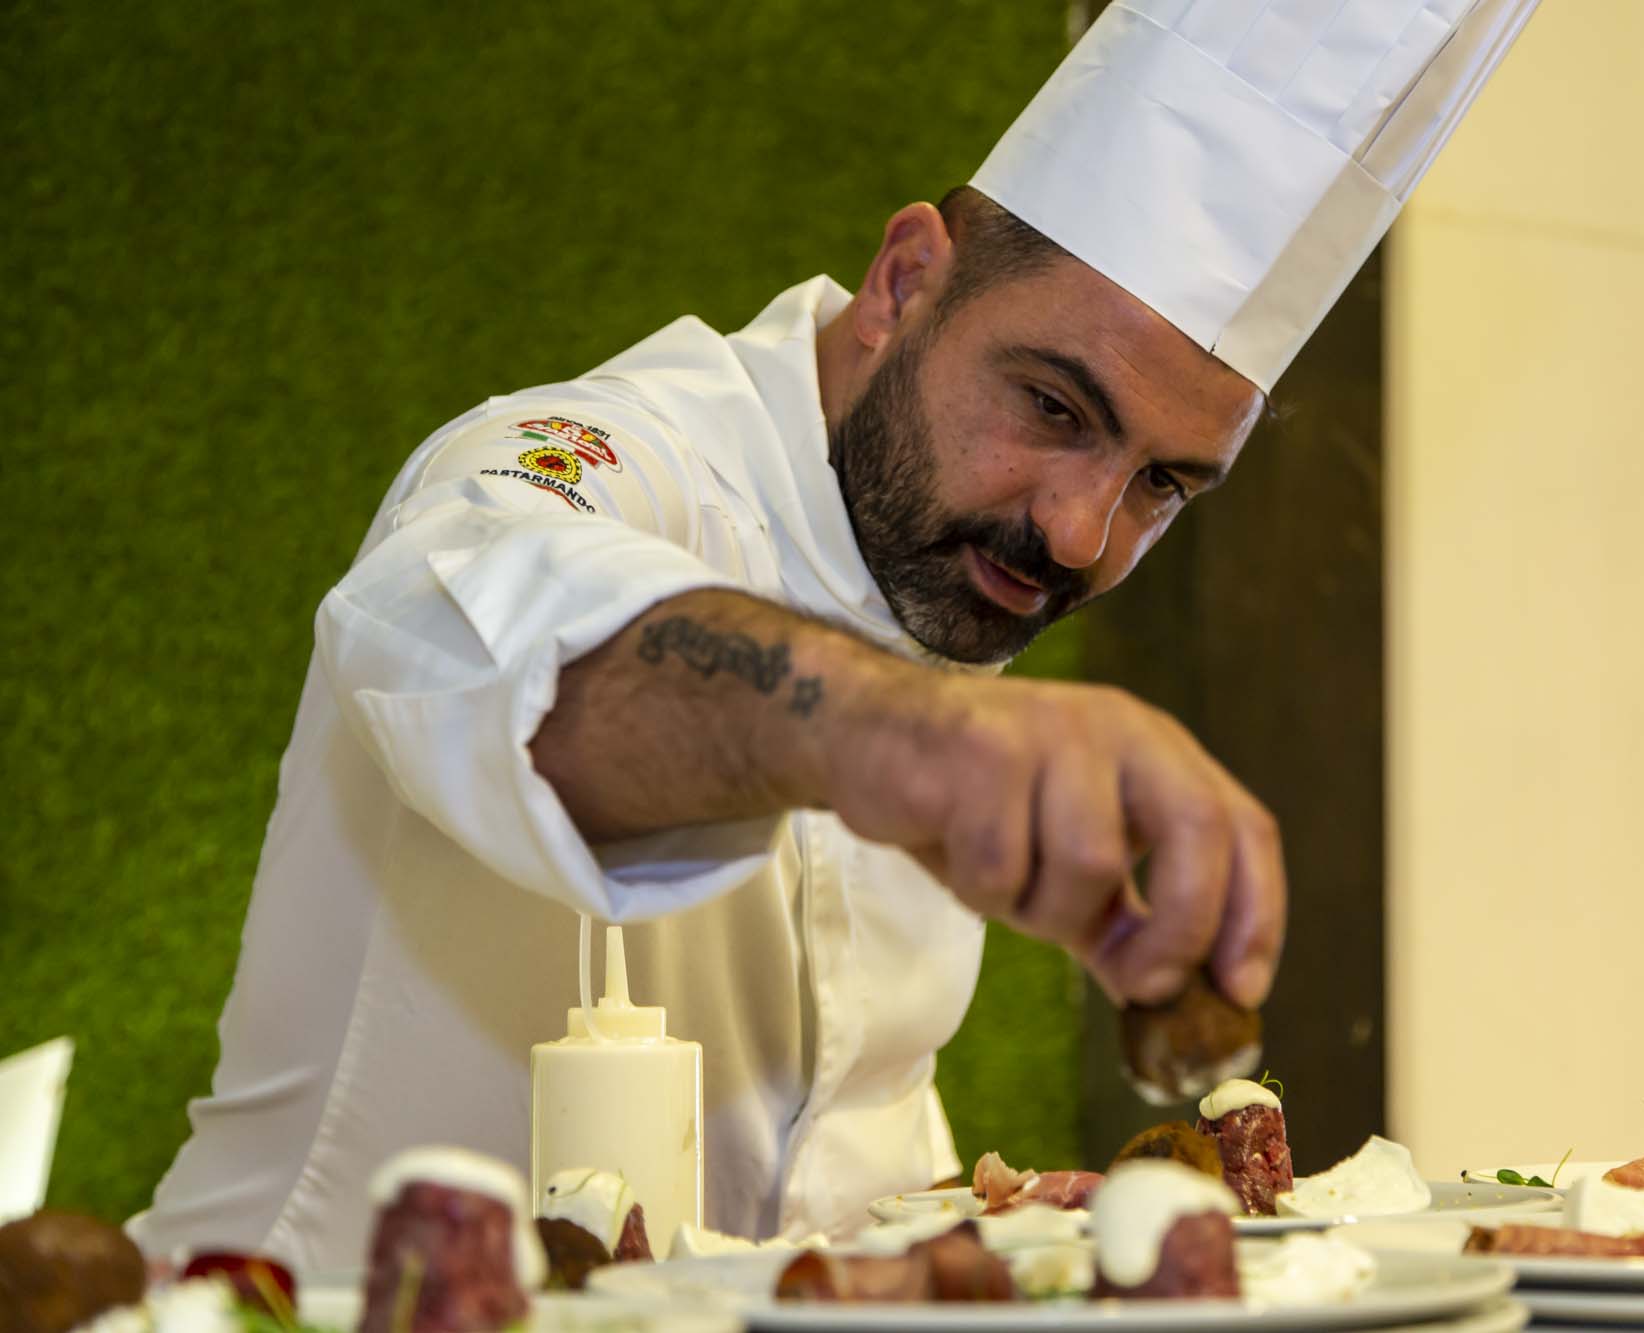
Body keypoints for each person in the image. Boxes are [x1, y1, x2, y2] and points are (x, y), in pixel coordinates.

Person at [132, 0, 1537, 1270]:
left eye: (1162, 484)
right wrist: (907, 739)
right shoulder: (596, 459)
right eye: (1054, 406)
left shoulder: (941, 571)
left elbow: (832, 1169)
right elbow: (464, 623)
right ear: (904, 280)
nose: (1081, 534)